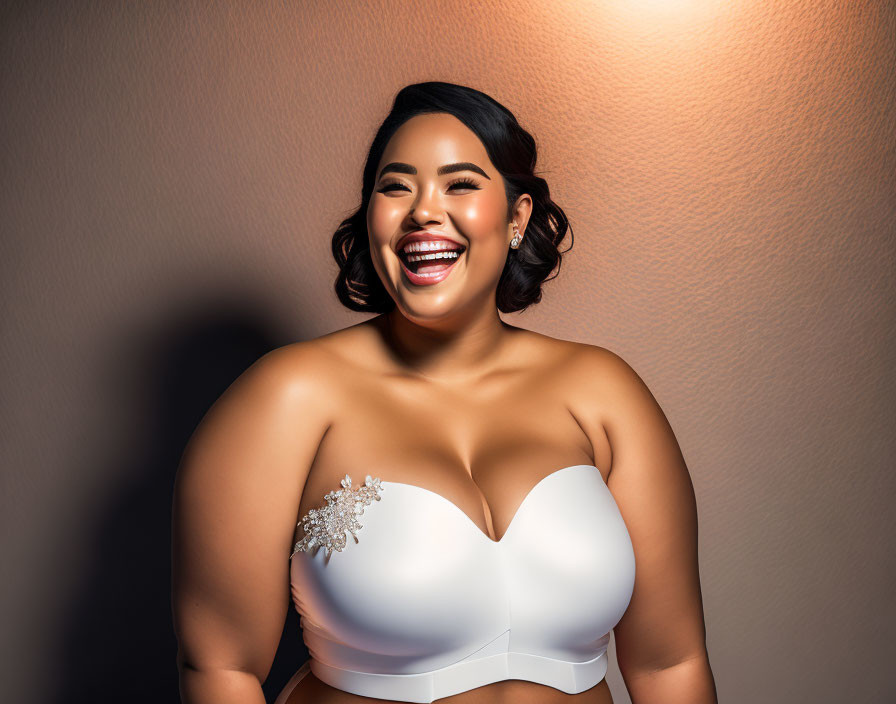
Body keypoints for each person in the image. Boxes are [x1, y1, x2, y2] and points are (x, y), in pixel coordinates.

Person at [172, 81, 717, 704]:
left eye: (460, 184)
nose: (423, 212)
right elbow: (221, 669)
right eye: (395, 186)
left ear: (518, 217)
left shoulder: (603, 394)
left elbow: (670, 664)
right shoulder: (288, 397)